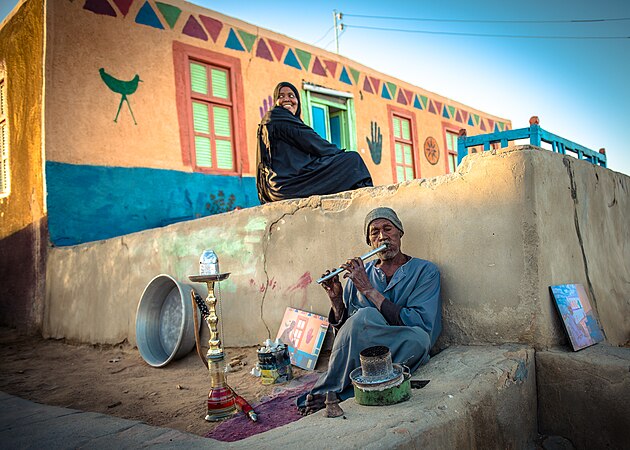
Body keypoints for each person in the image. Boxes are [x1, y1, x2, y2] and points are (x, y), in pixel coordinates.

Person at [297, 207, 442, 415]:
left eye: (388, 229)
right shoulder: (357, 276)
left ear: (400, 233)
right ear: (370, 242)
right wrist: (336, 300)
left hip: (397, 345)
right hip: (364, 352)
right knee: (364, 316)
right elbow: (346, 335)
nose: (382, 236)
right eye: (374, 232)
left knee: (419, 340)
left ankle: (341, 393)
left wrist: (368, 290)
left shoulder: (425, 271)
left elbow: (420, 324)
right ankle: (331, 391)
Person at [256, 81, 373, 203]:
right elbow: (313, 143)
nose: (286, 99)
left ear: (298, 102)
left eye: (291, 96)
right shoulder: (277, 116)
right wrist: (339, 154)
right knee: (352, 160)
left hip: (280, 186)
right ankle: (368, 205)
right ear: (275, 101)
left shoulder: (276, 119)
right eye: (281, 96)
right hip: (288, 184)